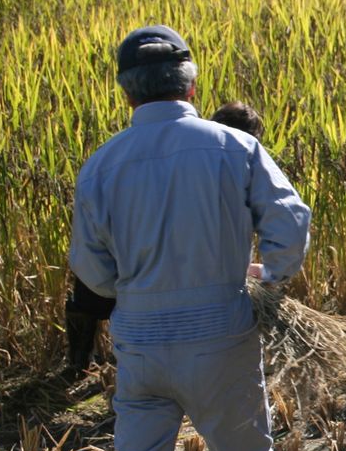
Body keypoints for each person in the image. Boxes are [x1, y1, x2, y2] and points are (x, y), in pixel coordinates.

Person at [69, 25, 311, 451]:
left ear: (126, 94)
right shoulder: (233, 147)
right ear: (193, 85)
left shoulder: (103, 165)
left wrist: (135, 292)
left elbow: (90, 273)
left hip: (140, 345)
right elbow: (291, 221)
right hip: (220, 337)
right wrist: (269, 278)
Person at [63, 99, 268, 377]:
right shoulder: (230, 170)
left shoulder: (169, 152)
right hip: (172, 284)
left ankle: (79, 362)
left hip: (131, 265)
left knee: (90, 286)